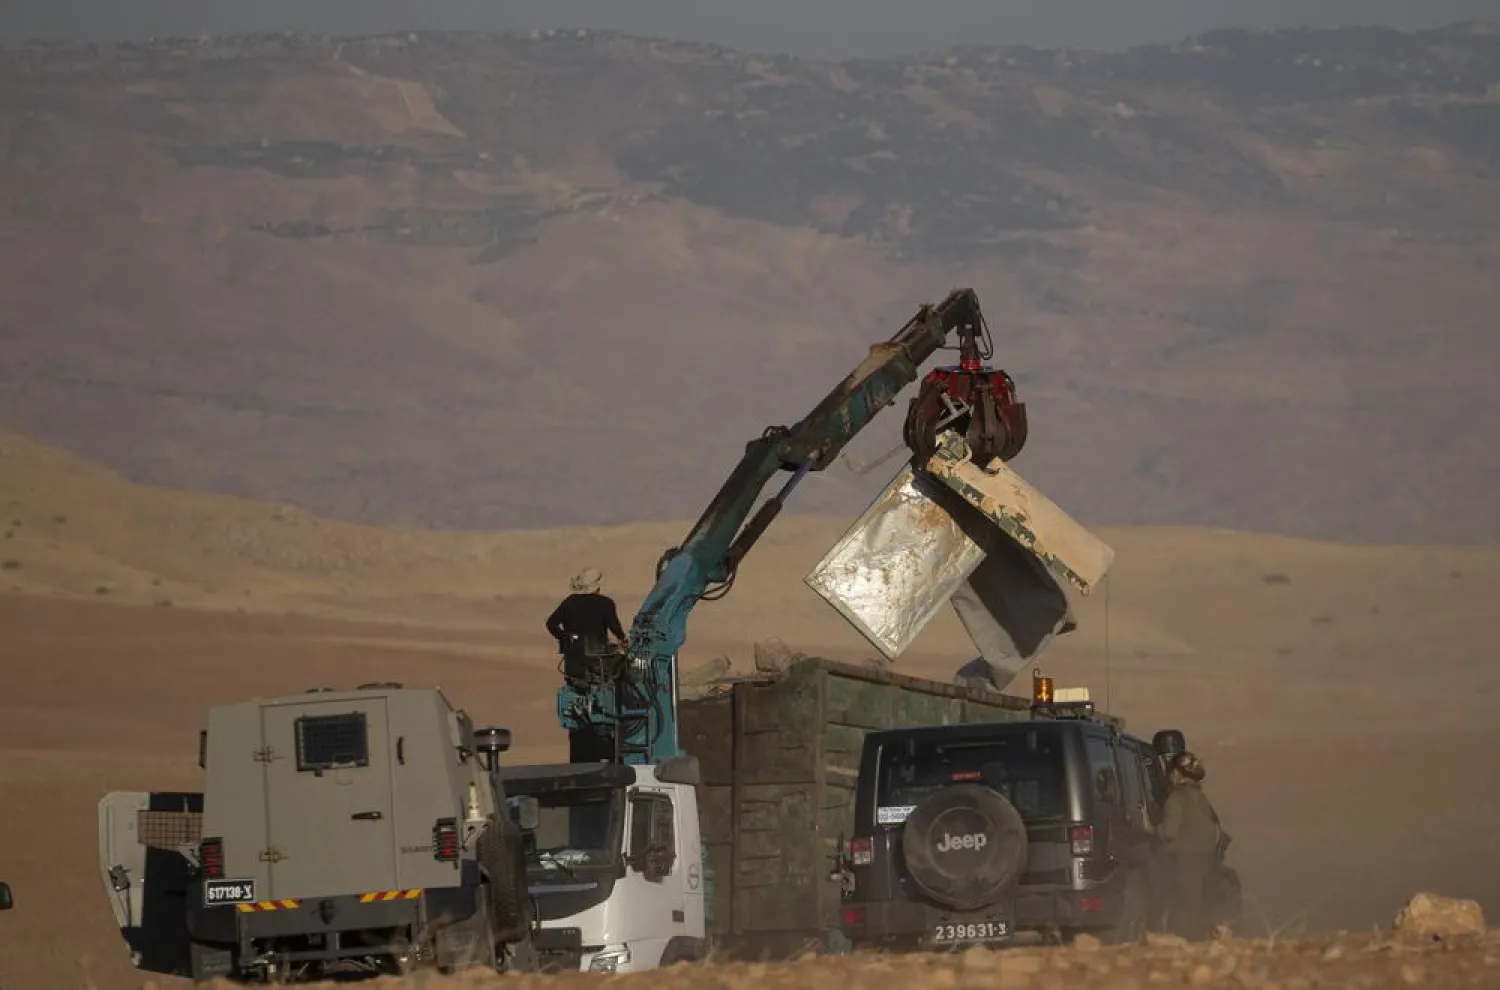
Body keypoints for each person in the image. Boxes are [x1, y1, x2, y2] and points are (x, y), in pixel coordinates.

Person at [1149, 750, 1223, 941]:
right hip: (1205, 858)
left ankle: (1188, 941)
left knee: (1184, 906)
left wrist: (1151, 828)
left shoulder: (1177, 797)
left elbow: (1169, 832)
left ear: (1176, 773)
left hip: (1184, 859)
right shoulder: (1201, 798)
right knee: (1196, 901)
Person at [546, 568, 627, 680]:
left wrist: (566, 638)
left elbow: (551, 624)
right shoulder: (605, 603)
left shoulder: (570, 601)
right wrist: (623, 639)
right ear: (597, 586)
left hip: (573, 664)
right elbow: (614, 626)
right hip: (598, 663)